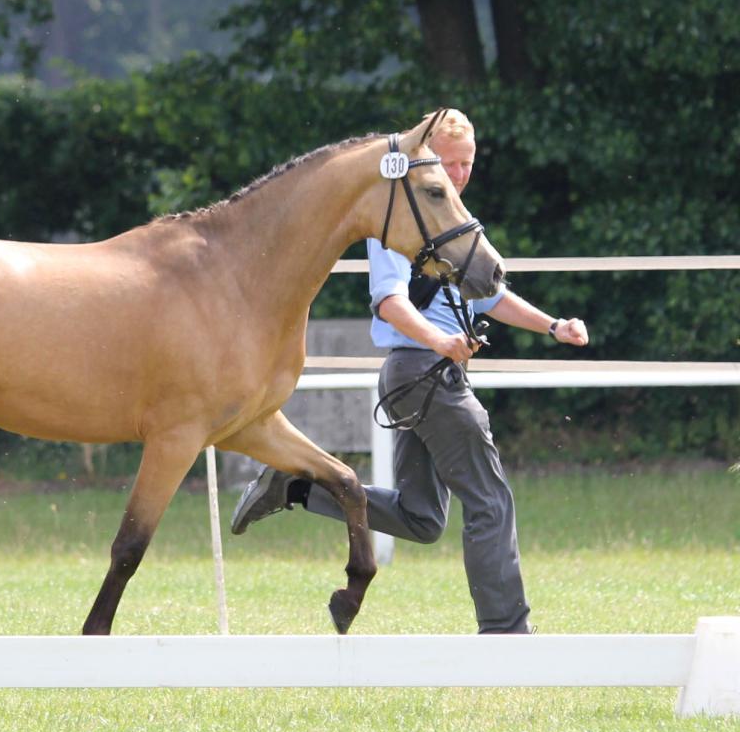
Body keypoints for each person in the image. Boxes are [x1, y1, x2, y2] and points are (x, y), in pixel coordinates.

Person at [230, 110, 589, 634]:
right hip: (423, 374)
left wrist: (553, 326)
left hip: (420, 378)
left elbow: (491, 297)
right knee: (490, 499)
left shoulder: (444, 225)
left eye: (467, 164)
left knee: (422, 518)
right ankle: (506, 632)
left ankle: (295, 487)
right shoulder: (399, 224)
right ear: (423, 160)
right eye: (451, 163)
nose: (460, 175)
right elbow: (389, 302)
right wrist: (441, 340)